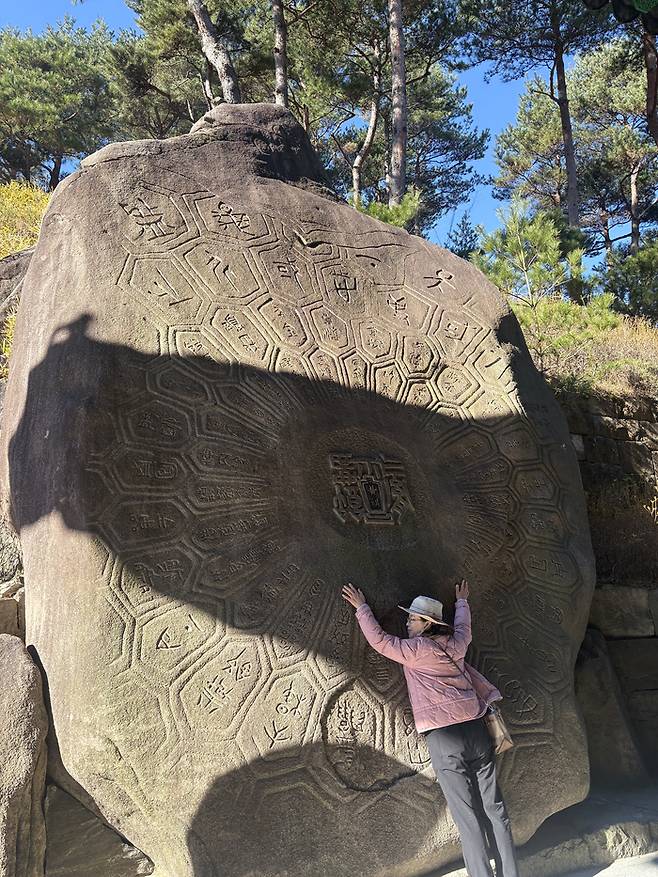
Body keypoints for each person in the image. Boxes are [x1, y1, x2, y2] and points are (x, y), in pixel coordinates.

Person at [341, 580, 519, 877]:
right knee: (494, 807)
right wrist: (462, 602)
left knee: (467, 816)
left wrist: (362, 608)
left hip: (445, 739)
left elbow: (381, 642)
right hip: (476, 731)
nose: (407, 623)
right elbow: (464, 630)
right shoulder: (456, 644)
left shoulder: (417, 649)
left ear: (427, 623)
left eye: (413, 619)